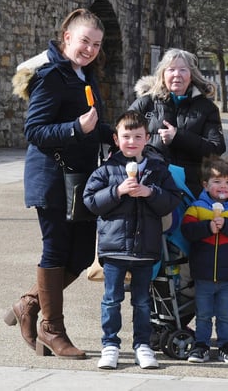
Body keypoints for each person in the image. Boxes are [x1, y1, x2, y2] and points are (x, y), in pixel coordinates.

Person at [4, 8, 114, 359]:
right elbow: (34, 130)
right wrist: (74, 129)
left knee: (82, 253)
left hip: (80, 179)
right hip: (52, 178)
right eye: (84, 41)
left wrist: (124, 136)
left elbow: (93, 125)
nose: (90, 49)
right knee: (55, 248)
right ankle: (52, 330)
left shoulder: (85, 75)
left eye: (96, 44)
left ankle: (28, 303)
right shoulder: (51, 76)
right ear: (67, 38)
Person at [83, 111, 181, 369]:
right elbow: (90, 202)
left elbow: (171, 200)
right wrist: (117, 191)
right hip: (114, 250)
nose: (131, 141)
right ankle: (110, 345)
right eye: (126, 136)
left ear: (147, 138)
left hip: (145, 250)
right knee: (111, 299)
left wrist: (150, 192)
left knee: (142, 301)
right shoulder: (106, 169)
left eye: (138, 136)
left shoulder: (158, 170)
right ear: (116, 139)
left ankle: (143, 345)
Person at [181, 156, 228, 364]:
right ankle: (201, 345)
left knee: (224, 314)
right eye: (217, 182)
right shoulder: (197, 207)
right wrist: (207, 227)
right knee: (203, 314)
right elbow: (187, 229)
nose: (223, 186)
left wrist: (227, 225)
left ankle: (226, 345)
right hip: (204, 274)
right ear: (206, 185)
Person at [128, 48, 226, 197]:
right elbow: (123, 136)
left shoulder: (207, 108)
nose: (177, 75)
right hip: (150, 187)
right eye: (171, 69)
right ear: (162, 74)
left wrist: (179, 137)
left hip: (190, 187)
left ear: (191, 75)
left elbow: (217, 148)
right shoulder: (145, 103)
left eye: (183, 70)